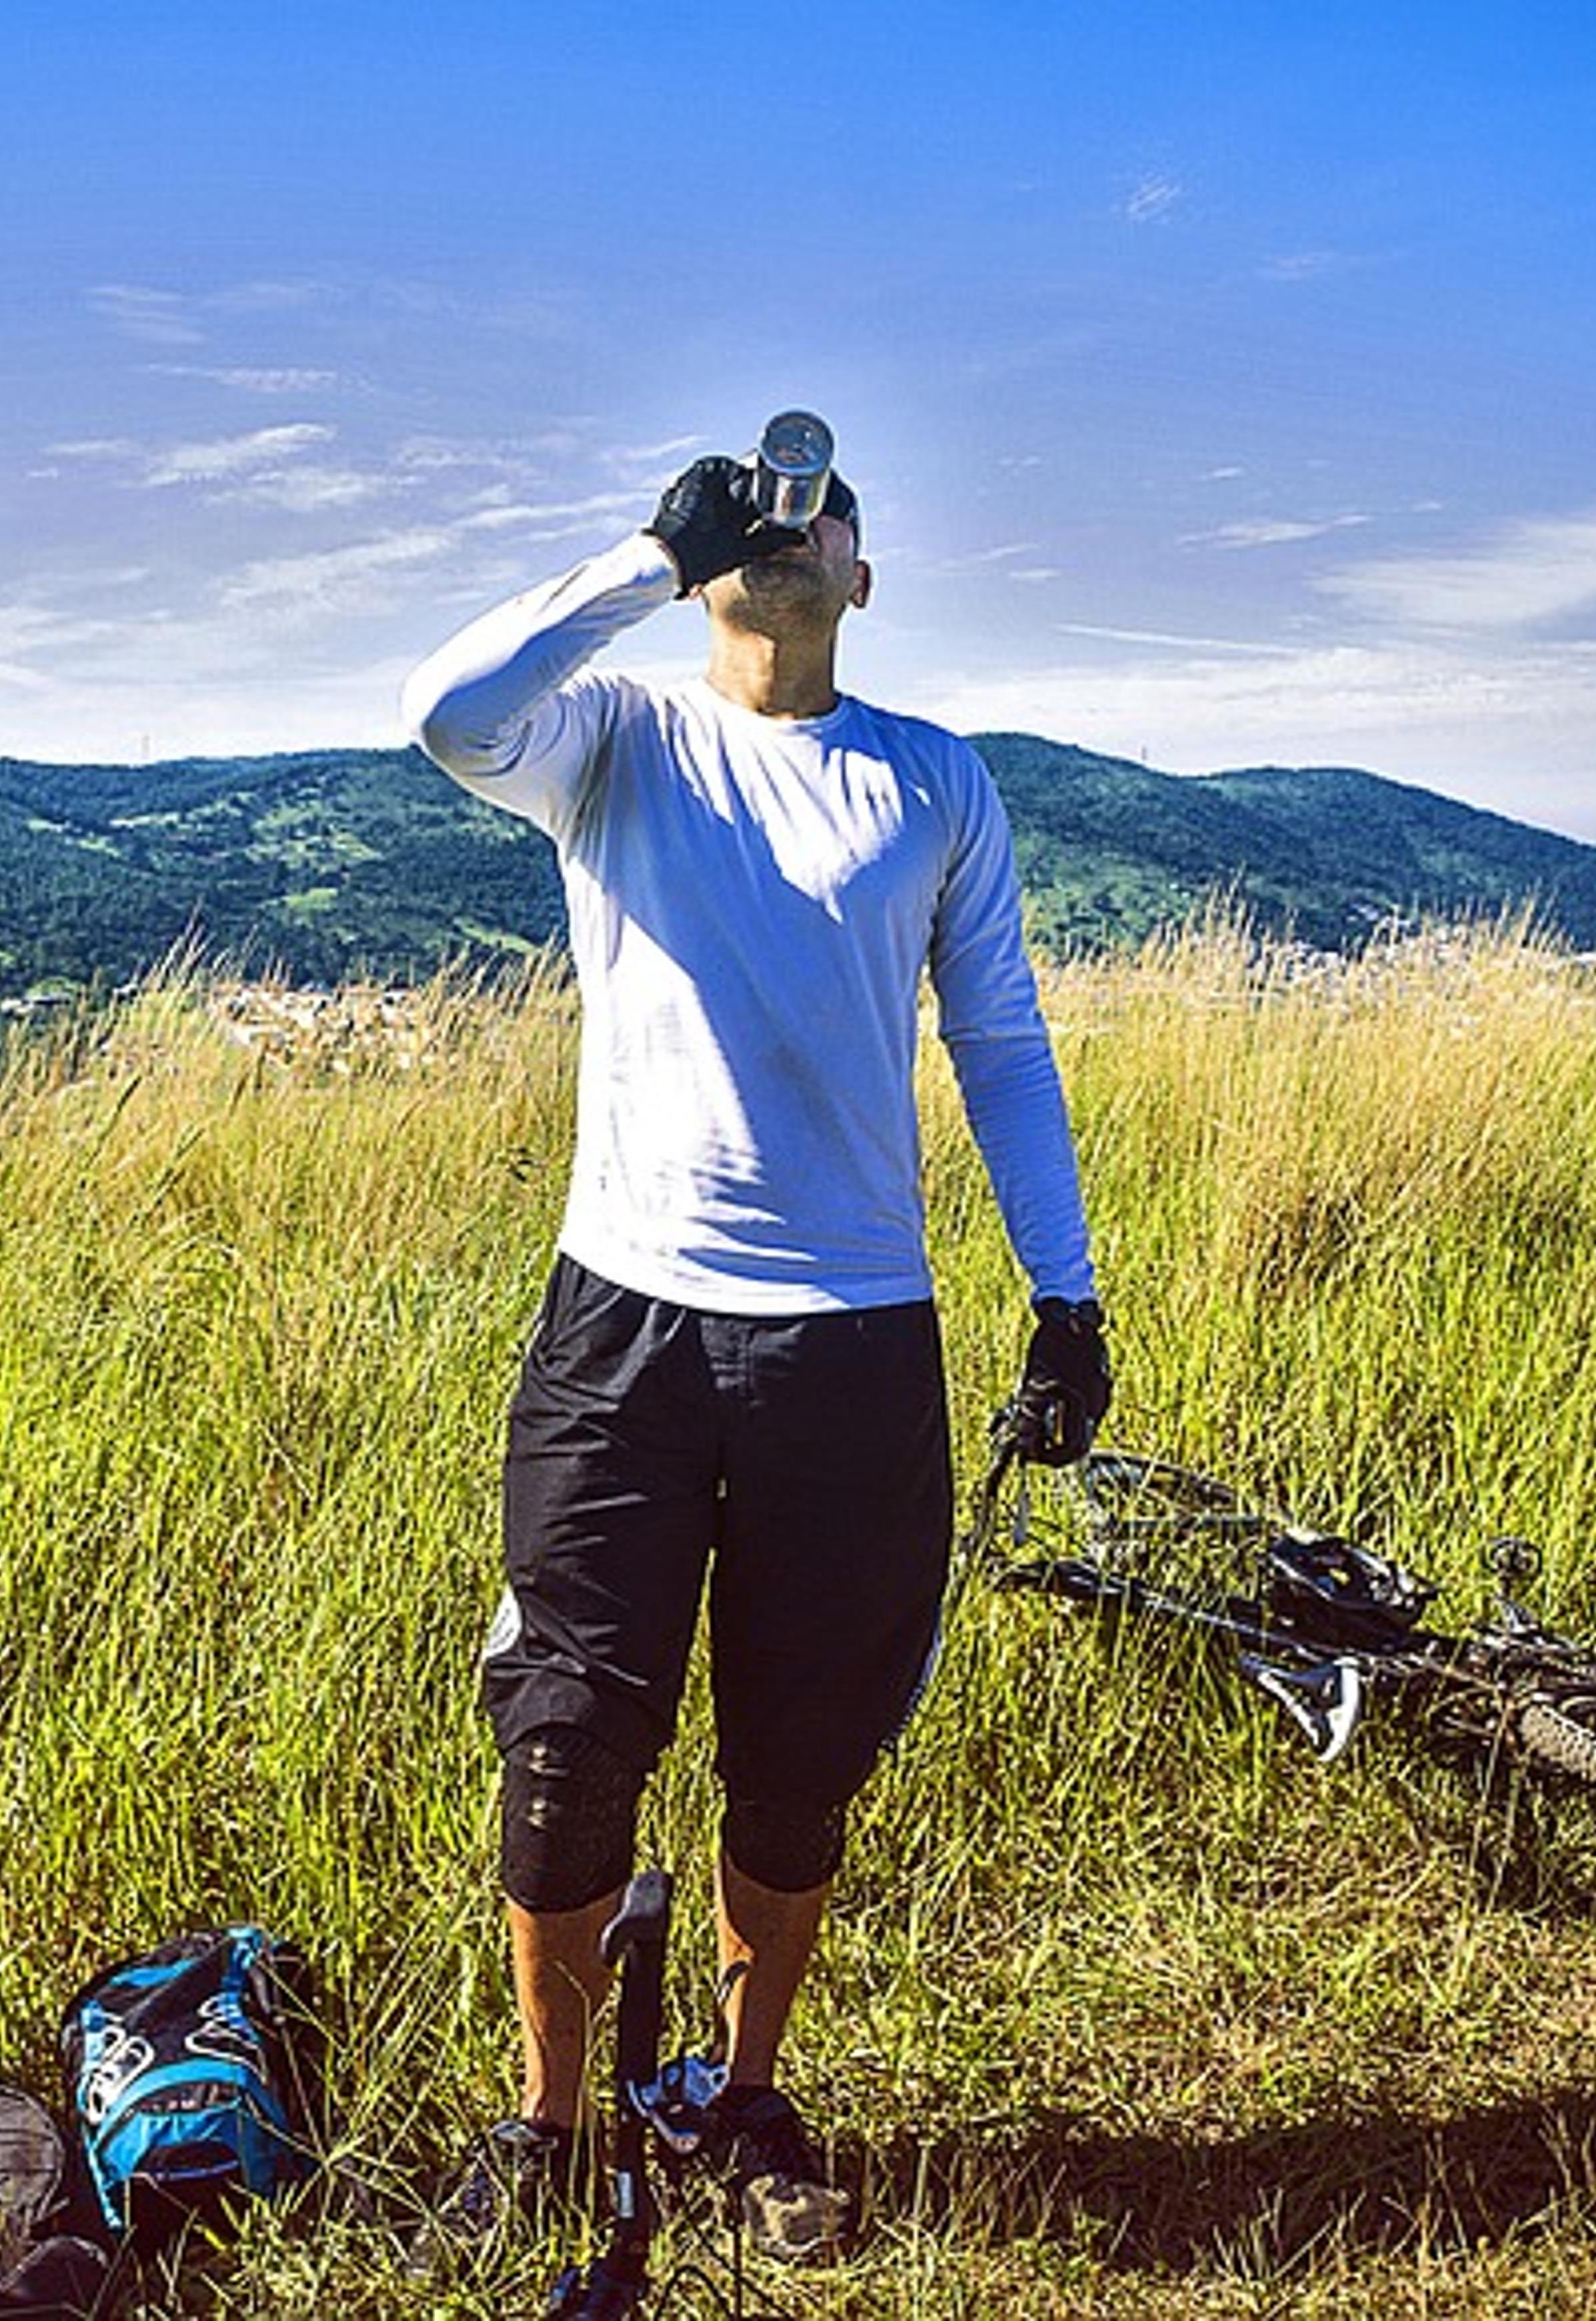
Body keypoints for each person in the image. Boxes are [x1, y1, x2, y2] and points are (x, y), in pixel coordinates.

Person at [399, 434, 1109, 2268]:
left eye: (829, 517)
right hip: (621, 1323)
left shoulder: (934, 784)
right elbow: (444, 710)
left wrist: (1068, 1289)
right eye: (765, 520)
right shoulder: (619, 737)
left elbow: (1005, 1044)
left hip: (855, 1342)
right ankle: (551, 2124)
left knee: (797, 1762)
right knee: (562, 1743)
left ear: (863, 580)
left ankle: (738, 2092)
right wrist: (653, 551)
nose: (795, 535)